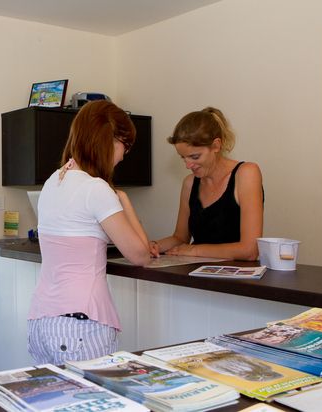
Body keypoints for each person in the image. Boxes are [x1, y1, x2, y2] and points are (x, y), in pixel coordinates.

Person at [27, 100, 152, 365]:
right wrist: (124, 200)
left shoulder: (52, 182)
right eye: (124, 146)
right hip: (80, 326)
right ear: (107, 139)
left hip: (42, 323)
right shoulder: (96, 189)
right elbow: (141, 255)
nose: (123, 155)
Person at [150, 107, 263, 261]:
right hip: (197, 275)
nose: (188, 165)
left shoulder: (246, 173)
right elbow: (180, 238)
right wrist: (155, 245)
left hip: (237, 280)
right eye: (183, 158)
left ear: (216, 146)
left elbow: (250, 250)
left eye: (194, 157)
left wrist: (195, 250)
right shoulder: (189, 183)